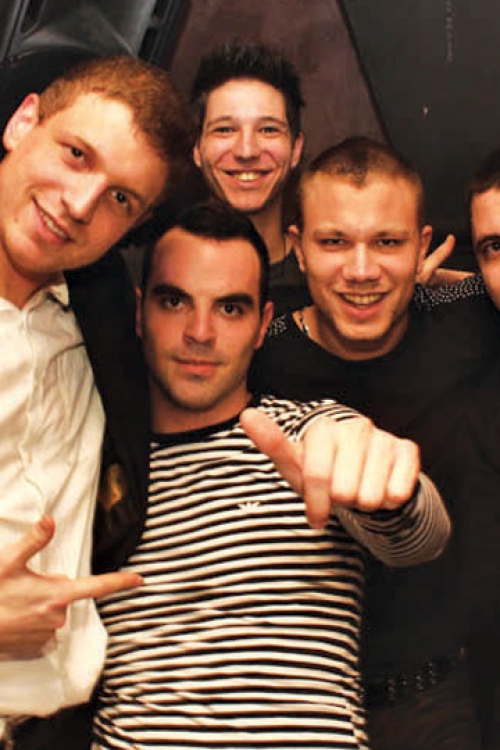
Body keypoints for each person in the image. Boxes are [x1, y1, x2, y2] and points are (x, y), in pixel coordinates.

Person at [91, 201, 449, 750]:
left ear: (262, 326)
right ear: (139, 313)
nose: (200, 332)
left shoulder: (311, 433)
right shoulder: (93, 462)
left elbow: (419, 538)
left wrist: (390, 496)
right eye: (175, 301)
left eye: (231, 309)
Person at [251, 136, 500, 750]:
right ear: (297, 247)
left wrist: (444, 281)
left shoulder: (470, 316)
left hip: (433, 695)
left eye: (387, 242)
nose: (361, 270)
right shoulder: (253, 351)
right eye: (334, 242)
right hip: (285, 703)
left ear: (421, 246)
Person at [0, 55, 192, 749]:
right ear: (23, 121)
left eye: (120, 199)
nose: (81, 203)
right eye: (76, 154)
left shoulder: (103, 314)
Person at [190, 40, 311, 315]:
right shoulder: (153, 269)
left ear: (296, 149)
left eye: (268, 130)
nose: (247, 151)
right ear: (197, 148)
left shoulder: (323, 282)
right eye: (225, 130)